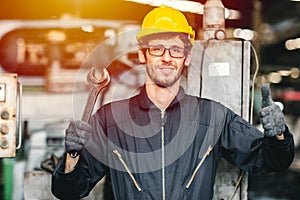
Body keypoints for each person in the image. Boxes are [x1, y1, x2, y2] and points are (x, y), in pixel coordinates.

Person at [51, 6, 294, 200]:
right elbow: (68, 191)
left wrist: (278, 136)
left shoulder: (212, 117)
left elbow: (270, 160)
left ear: (187, 57)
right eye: (157, 49)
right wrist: (72, 156)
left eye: (176, 50)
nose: (167, 58)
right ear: (142, 54)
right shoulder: (110, 120)